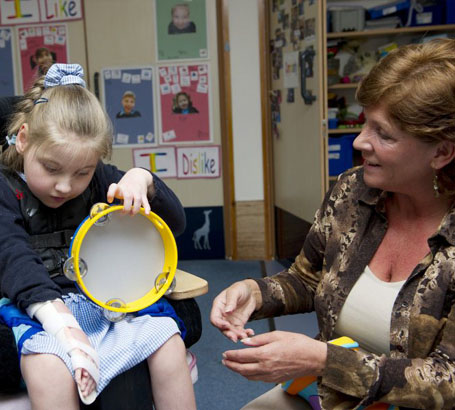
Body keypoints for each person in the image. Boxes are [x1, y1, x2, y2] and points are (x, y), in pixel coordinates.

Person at [210, 38, 455, 410]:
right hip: (332, 395)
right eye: (364, 123)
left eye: (383, 134)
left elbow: (448, 380)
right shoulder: (354, 191)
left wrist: (322, 360)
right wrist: (254, 293)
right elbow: (309, 279)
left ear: (441, 152)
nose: (360, 141)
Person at [0, 64, 196, 410]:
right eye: (51, 169)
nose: (65, 185)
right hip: (36, 311)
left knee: (168, 343)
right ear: (23, 139)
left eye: (82, 172)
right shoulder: (5, 190)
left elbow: (176, 223)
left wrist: (142, 180)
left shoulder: (100, 180)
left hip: (102, 303)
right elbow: (14, 258)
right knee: (49, 367)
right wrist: (63, 328)